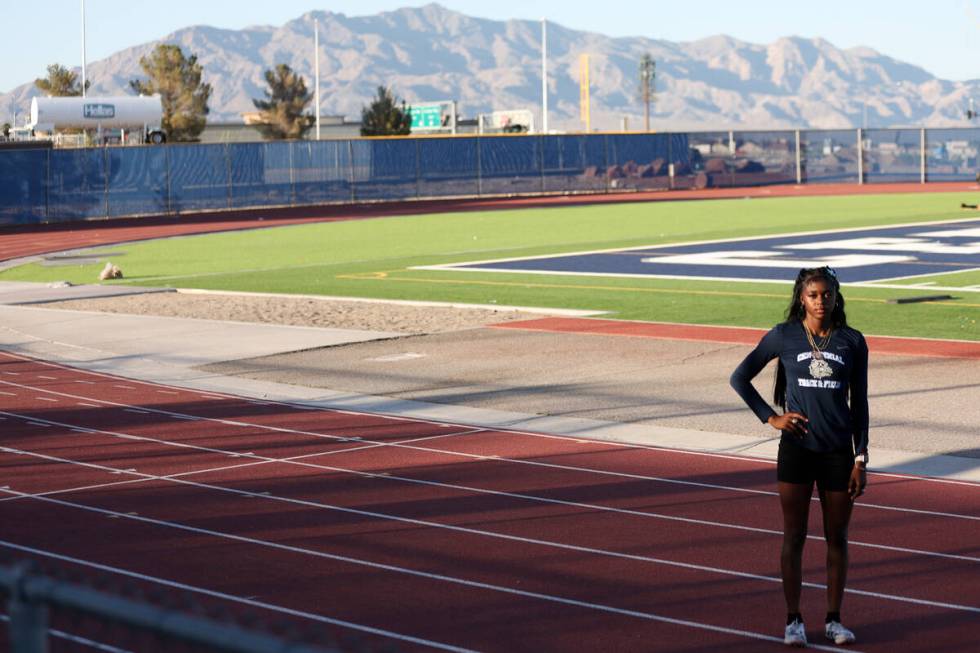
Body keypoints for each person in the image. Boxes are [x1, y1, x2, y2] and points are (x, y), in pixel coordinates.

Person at [730, 266, 869, 648]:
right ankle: (793, 620)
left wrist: (861, 458)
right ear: (801, 298)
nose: (821, 301)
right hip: (796, 450)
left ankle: (834, 620)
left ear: (837, 296)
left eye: (827, 294)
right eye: (813, 295)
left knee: (837, 538)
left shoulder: (852, 341)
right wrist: (771, 417)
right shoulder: (784, 335)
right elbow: (739, 377)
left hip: (839, 453)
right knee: (794, 536)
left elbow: (860, 403)